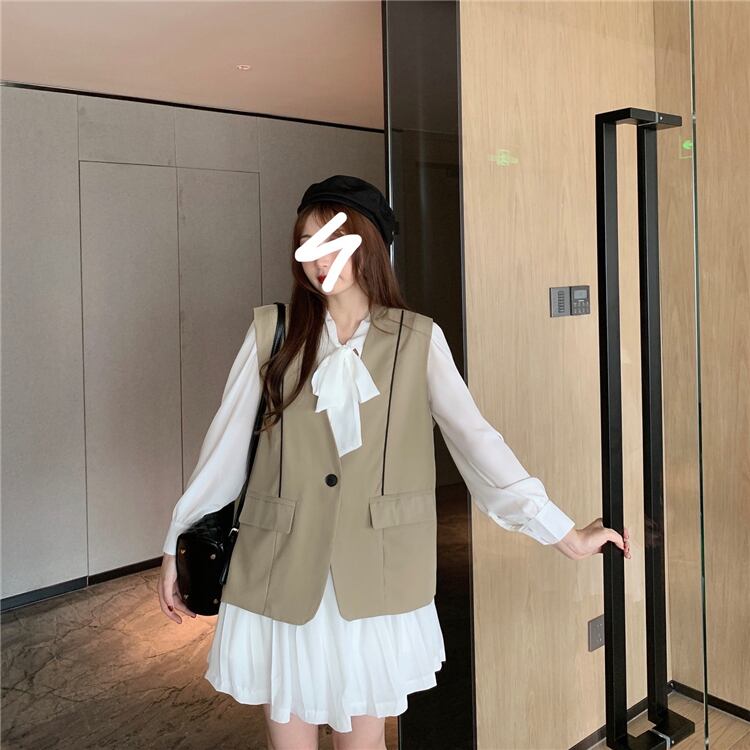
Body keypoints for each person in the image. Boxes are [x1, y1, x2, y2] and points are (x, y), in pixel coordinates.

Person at [157, 175, 631, 750]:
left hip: (375, 574)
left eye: (335, 241)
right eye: (307, 244)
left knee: (363, 744)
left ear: (370, 246)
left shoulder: (417, 339)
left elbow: (477, 442)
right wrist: (177, 542)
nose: (320, 259)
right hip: (280, 566)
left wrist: (563, 533)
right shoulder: (272, 333)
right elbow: (224, 448)